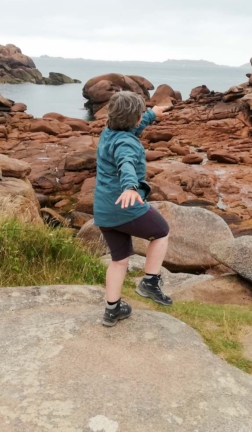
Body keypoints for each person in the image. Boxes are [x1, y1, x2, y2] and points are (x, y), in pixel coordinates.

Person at [94, 91, 172, 327]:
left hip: (104, 211)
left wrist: (151, 115)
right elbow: (126, 161)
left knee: (119, 260)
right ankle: (149, 282)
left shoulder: (109, 133)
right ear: (135, 119)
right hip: (125, 206)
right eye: (141, 115)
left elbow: (129, 132)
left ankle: (112, 309)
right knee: (161, 232)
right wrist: (130, 186)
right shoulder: (126, 144)